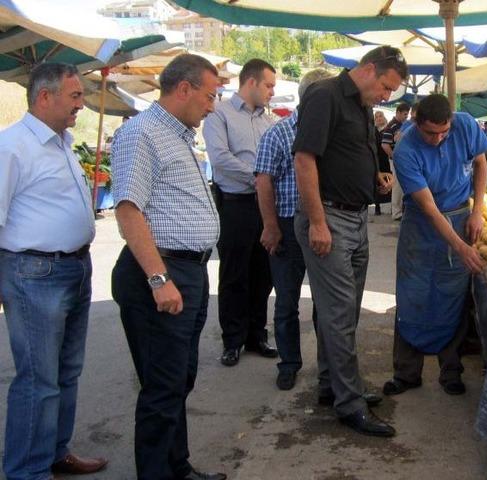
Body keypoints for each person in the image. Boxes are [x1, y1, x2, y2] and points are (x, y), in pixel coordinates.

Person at [110, 53, 225, 480]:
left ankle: (177, 466)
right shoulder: (142, 133)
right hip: (159, 272)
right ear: (184, 89)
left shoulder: (175, 134)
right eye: (210, 95)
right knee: (162, 386)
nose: (212, 106)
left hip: (187, 271)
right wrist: (159, 279)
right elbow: (127, 210)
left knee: (179, 379)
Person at [0, 63, 108, 480]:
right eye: (75, 96)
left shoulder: (62, 143)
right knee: (38, 380)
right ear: (44, 97)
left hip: (74, 268)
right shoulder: (12, 146)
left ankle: (54, 453)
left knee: (65, 373)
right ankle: (28, 471)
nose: (82, 104)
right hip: (34, 273)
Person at [293, 45, 406, 437]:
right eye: (387, 87)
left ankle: (334, 385)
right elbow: (304, 160)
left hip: (355, 218)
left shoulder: (359, 103)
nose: (387, 97)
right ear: (370, 69)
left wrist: (374, 173)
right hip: (330, 218)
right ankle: (350, 404)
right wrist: (318, 223)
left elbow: (357, 149)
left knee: (341, 312)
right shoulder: (324, 95)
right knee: (340, 314)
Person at [382, 94, 487, 397]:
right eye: (431, 132)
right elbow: (429, 208)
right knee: (412, 293)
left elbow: (481, 163)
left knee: (452, 294)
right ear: (417, 122)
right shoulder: (406, 149)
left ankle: (451, 371)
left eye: (444, 131)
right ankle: (406, 372)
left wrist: (477, 210)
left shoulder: (466, 125)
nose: (438, 138)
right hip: (421, 224)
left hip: (460, 215)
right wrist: (461, 247)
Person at [255, 68, 334, 392]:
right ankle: (289, 363)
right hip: (287, 226)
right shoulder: (278, 133)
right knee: (287, 300)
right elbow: (263, 182)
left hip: (324, 225)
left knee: (326, 302)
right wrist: (271, 226)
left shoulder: (333, 133)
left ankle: (329, 369)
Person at [203, 59, 278, 367]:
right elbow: (220, 159)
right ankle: (233, 339)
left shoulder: (268, 122)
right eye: (269, 85)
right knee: (235, 273)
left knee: (263, 271)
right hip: (235, 203)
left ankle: (257, 334)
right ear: (251, 83)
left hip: (265, 205)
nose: (272, 92)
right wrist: (260, 178)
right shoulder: (219, 114)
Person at [381, 102, 410, 221]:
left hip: (402, 160)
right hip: (396, 160)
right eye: (404, 114)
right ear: (397, 112)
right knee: (397, 186)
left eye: (407, 114)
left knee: (401, 186)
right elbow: (385, 145)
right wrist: (394, 157)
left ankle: (400, 211)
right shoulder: (392, 126)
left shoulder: (402, 125)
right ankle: (397, 212)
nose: (406, 116)